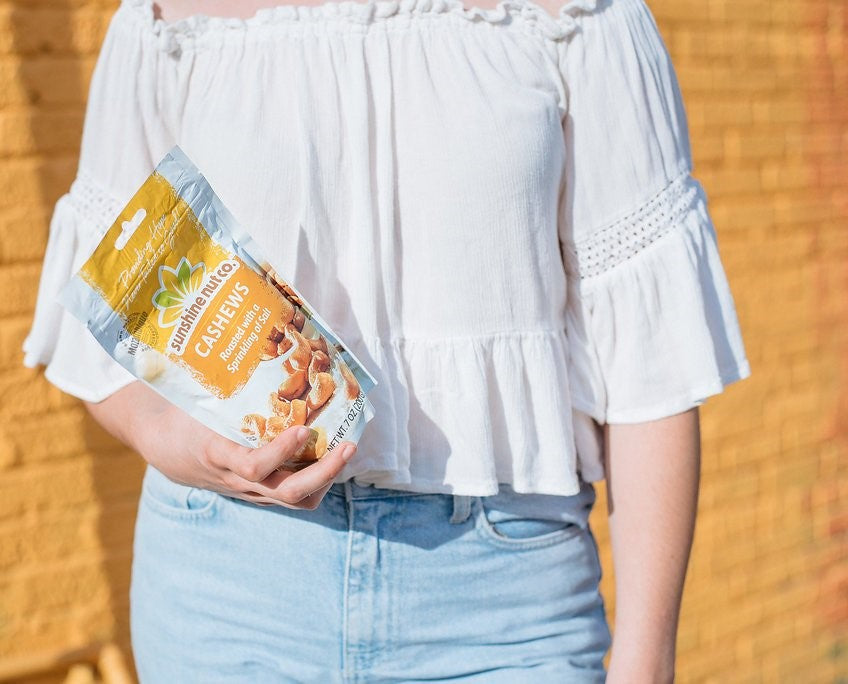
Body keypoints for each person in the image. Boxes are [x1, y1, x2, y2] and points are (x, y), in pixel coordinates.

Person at [22, 0, 751, 680]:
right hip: (227, 593)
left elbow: (650, 365)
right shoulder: (169, 18)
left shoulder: (578, 18)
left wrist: (646, 662)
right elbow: (109, 319)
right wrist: (181, 447)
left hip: (507, 606)